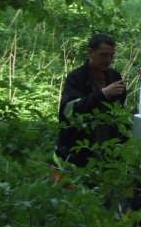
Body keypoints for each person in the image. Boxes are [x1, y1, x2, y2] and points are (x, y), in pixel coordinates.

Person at [55, 33, 128, 167]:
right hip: (78, 152)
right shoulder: (76, 77)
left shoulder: (114, 77)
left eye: (112, 55)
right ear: (91, 52)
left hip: (108, 153)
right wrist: (103, 94)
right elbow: (69, 111)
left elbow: (121, 114)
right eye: (104, 55)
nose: (109, 60)